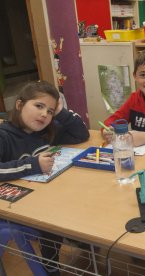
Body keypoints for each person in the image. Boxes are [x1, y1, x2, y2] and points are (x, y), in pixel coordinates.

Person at [0, 80, 90, 275]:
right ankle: (51, 263)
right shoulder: (4, 136)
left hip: (43, 198)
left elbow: (81, 134)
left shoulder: (45, 132)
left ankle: (80, 239)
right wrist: (32, 165)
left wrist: (61, 112)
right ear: (19, 104)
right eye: (38, 106)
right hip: (14, 208)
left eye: (49, 111)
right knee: (54, 215)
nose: (44, 114)